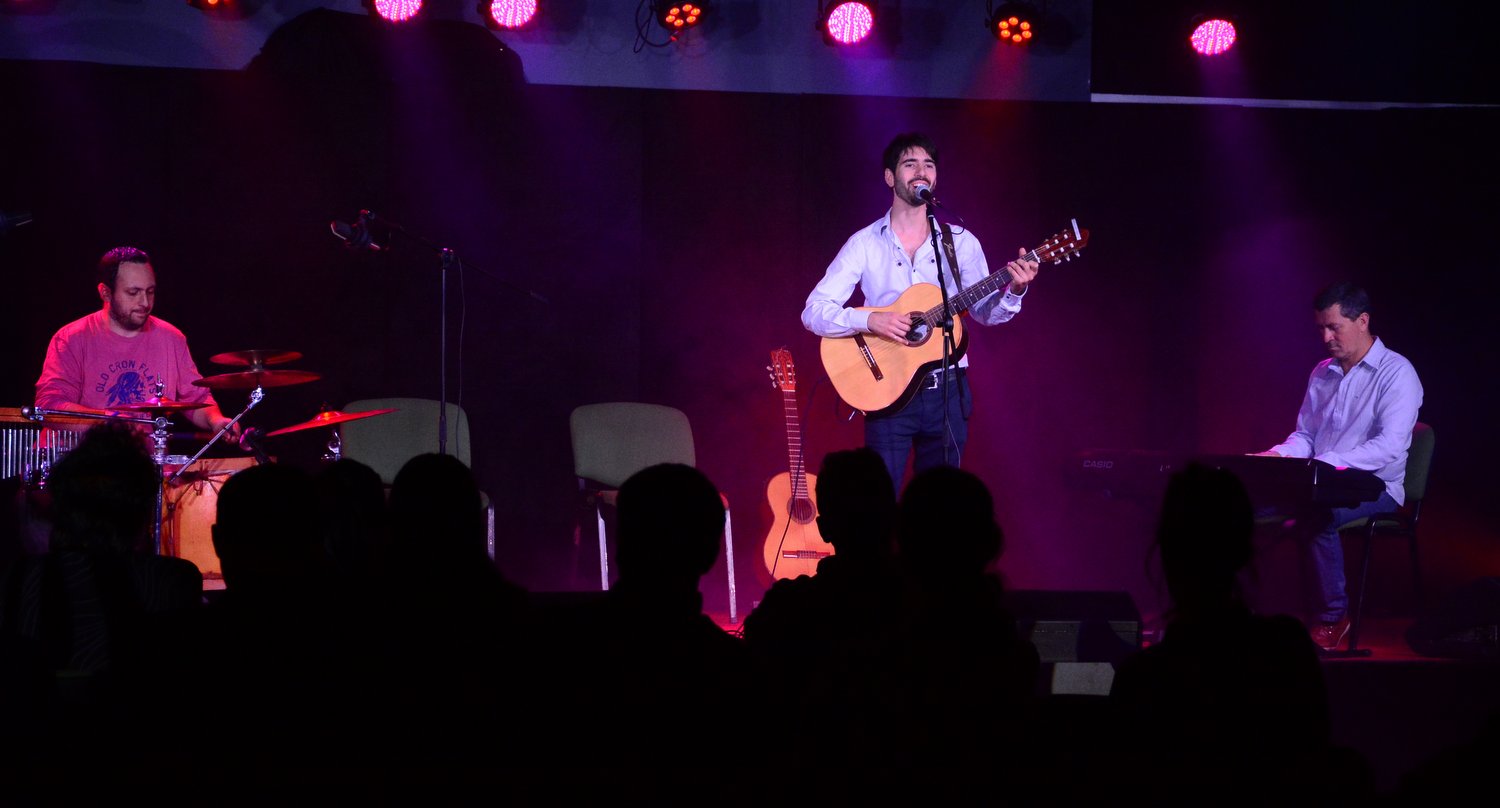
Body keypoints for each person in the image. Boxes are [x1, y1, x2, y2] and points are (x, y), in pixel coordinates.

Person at [801, 132, 1039, 487]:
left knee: (940, 508)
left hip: (948, 391)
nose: (921, 172)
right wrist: (872, 319)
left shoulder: (960, 242)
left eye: (928, 165)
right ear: (889, 177)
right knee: (878, 502)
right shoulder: (864, 244)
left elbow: (984, 313)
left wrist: (1015, 290)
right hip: (887, 393)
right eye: (910, 164)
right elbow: (814, 311)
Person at [1255, 282, 1423, 651]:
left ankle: (1334, 618)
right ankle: (1236, 612)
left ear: (1362, 321)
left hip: (1375, 489)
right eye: (1321, 329)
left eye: (1335, 327)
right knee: (1240, 507)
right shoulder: (1322, 372)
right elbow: (1306, 436)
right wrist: (1278, 455)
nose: (1326, 337)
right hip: (1318, 482)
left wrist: (1322, 463)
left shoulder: (1397, 373)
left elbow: (1389, 447)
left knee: (1319, 515)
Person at [34, 246, 238, 438]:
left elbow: (196, 399)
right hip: (81, 466)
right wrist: (108, 422)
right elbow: (50, 406)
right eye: (133, 293)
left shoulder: (171, 338)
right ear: (105, 293)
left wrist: (216, 420)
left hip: (142, 467)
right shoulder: (71, 338)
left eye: (150, 291)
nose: (145, 303)